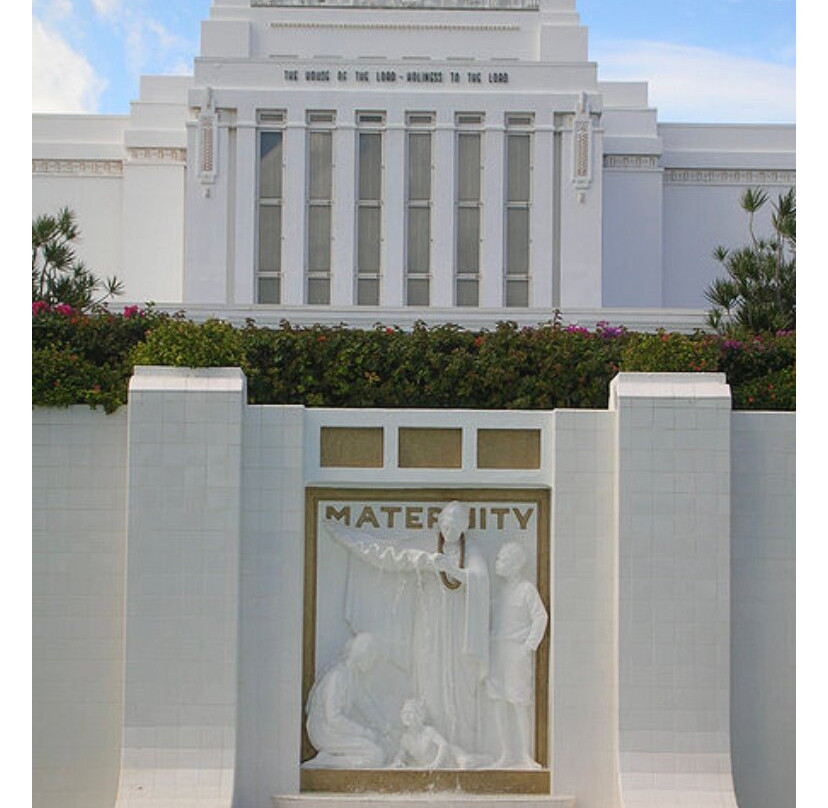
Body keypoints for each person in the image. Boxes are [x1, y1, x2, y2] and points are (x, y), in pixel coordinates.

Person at [324, 501, 490, 755]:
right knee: (429, 674)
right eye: (445, 522)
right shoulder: (426, 544)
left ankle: (459, 745)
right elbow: (390, 555)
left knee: (457, 678)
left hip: (457, 623)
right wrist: (349, 539)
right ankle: (425, 746)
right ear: (439, 522)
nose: (449, 528)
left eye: (456, 524)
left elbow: (479, 579)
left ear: (465, 526)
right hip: (428, 622)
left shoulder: (473, 549)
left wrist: (451, 569)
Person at [486, 541, 548, 769]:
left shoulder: (526, 589)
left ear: (514, 564)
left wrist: (528, 648)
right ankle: (506, 754)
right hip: (498, 651)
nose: (497, 564)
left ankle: (525, 755)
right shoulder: (500, 591)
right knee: (499, 701)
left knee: (519, 702)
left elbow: (540, 617)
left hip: (515, 651)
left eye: (502, 560)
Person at [304, 632, 386, 768]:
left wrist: (385, 727)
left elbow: (366, 705)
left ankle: (335, 757)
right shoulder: (337, 677)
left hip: (337, 730)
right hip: (325, 731)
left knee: (377, 748)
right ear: (362, 655)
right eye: (372, 658)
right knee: (375, 755)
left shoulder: (353, 677)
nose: (372, 663)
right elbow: (333, 718)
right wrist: (363, 732)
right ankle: (325, 761)